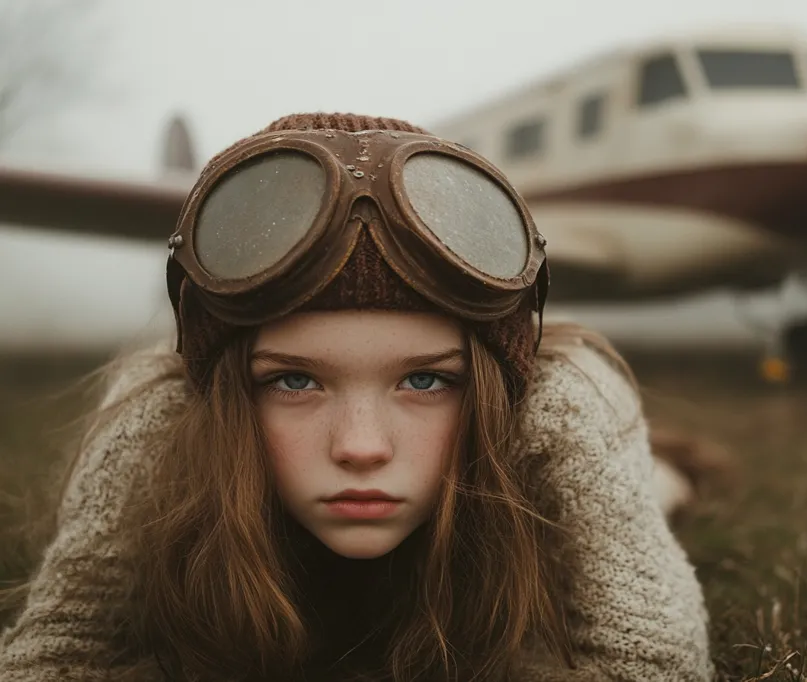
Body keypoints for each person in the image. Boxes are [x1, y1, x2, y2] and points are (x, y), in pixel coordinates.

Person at [0, 112, 714, 681]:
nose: (362, 448)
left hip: (517, 489)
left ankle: (666, 471)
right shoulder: (172, 417)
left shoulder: (551, 411)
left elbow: (651, 667)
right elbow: (57, 655)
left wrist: (578, 412)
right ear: (222, 392)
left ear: (495, 384)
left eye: (426, 379)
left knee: (660, 485)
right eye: (295, 381)